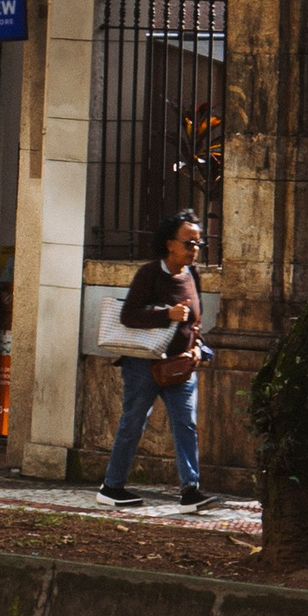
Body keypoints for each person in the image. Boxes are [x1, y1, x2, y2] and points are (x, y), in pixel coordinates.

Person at [100, 208, 205, 508]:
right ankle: (112, 487)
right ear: (169, 243)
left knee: (186, 424)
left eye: (198, 244)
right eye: (188, 243)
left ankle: (190, 490)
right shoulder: (149, 273)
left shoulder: (193, 275)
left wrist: (198, 348)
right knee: (133, 423)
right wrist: (165, 314)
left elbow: (195, 321)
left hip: (181, 365)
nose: (194, 250)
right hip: (143, 365)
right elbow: (128, 315)